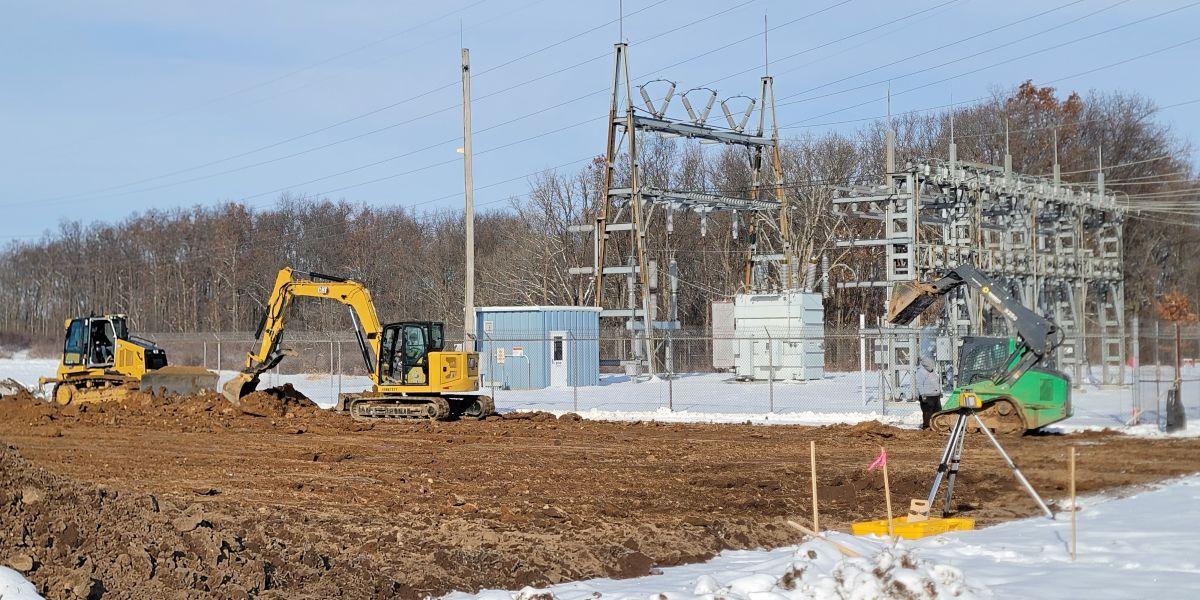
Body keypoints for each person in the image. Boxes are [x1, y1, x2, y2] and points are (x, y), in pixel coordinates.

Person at [915, 356, 943, 429]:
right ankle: (927, 426)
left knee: (938, 411)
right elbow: (919, 385)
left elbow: (937, 382)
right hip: (927, 396)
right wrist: (922, 394)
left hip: (935, 395)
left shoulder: (933, 371)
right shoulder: (921, 372)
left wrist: (940, 391)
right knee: (927, 412)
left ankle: (936, 425)